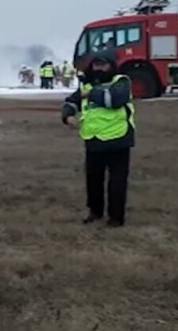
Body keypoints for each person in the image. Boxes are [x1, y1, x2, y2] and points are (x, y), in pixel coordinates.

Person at [60, 50, 135, 227]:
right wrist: (68, 115)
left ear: (111, 66)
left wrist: (90, 94)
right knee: (93, 180)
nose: (99, 68)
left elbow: (115, 99)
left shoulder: (121, 82)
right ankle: (95, 212)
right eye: (96, 65)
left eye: (103, 65)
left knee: (117, 182)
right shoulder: (86, 85)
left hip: (118, 138)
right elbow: (70, 101)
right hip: (93, 139)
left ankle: (116, 218)